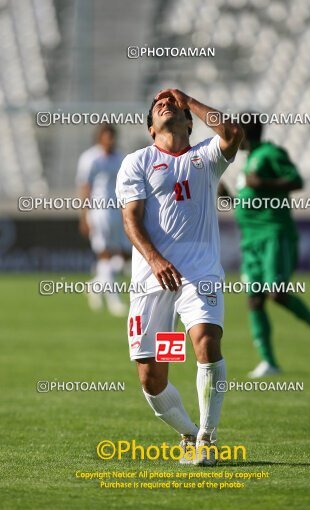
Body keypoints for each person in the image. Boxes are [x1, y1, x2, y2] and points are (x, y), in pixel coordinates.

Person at [116, 89, 243, 465]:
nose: (165, 106)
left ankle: (207, 436)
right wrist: (155, 260)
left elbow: (234, 132)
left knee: (205, 341)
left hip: (199, 276)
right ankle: (188, 433)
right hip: (153, 282)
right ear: (151, 130)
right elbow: (131, 220)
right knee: (152, 377)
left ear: (189, 121)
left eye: (172, 105)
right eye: (158, 107)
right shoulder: (137, 162)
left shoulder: (205, 158)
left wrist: (189, 99)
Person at [234, 114, 310, 378]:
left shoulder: (270, 153)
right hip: (251, 240)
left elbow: (297, 181)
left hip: (274, 235)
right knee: (255, 300)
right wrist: (230, 199)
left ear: (246, 132)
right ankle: (269, 362)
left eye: (236, 129)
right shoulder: (249, 162)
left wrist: (264, 183)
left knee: (276, 292)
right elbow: (254, 199)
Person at [76, 123, 129, 316]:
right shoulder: (90, 158)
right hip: (98, 212)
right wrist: (84, 216)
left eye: (113, 136)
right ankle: (114, 301)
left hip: (117, 212)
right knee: (105, 254)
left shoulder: (121, 158)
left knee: (124, 255)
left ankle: (95, 285)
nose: (111, 140)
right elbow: (84, 188)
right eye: (107, 136)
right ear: (100, 138)